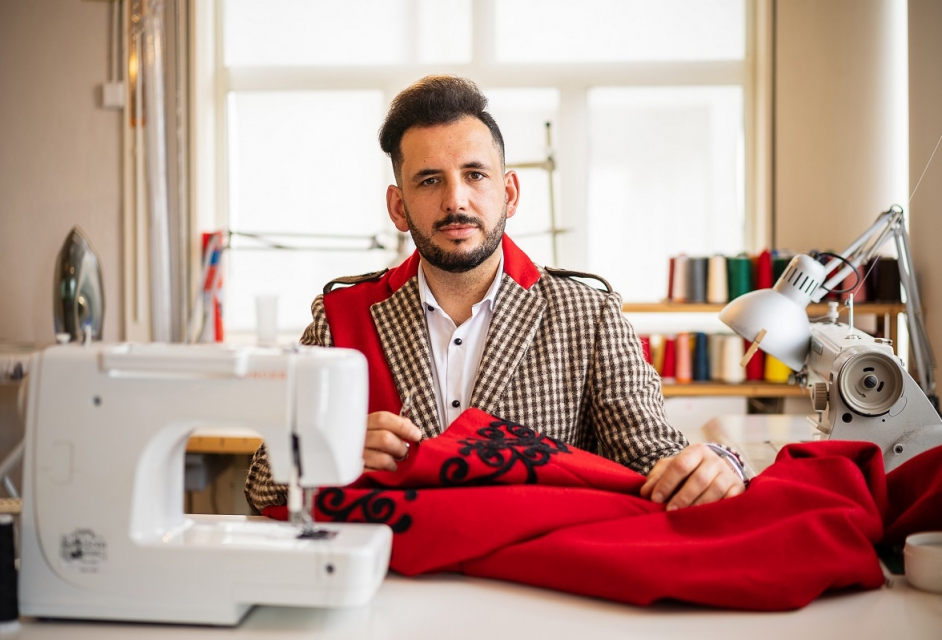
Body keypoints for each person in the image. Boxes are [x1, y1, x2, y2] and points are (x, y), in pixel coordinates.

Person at [245, 75, 746, 515]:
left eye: (474, 175)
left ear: (508, 193)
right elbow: (262, 483)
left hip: (535, 594)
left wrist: (718, 464)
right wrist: (329, 448)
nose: (455, 200)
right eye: (429, 180)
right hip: (390, 591)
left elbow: (651, 457)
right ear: (398, 208)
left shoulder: (589, 316)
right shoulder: (340, 319)